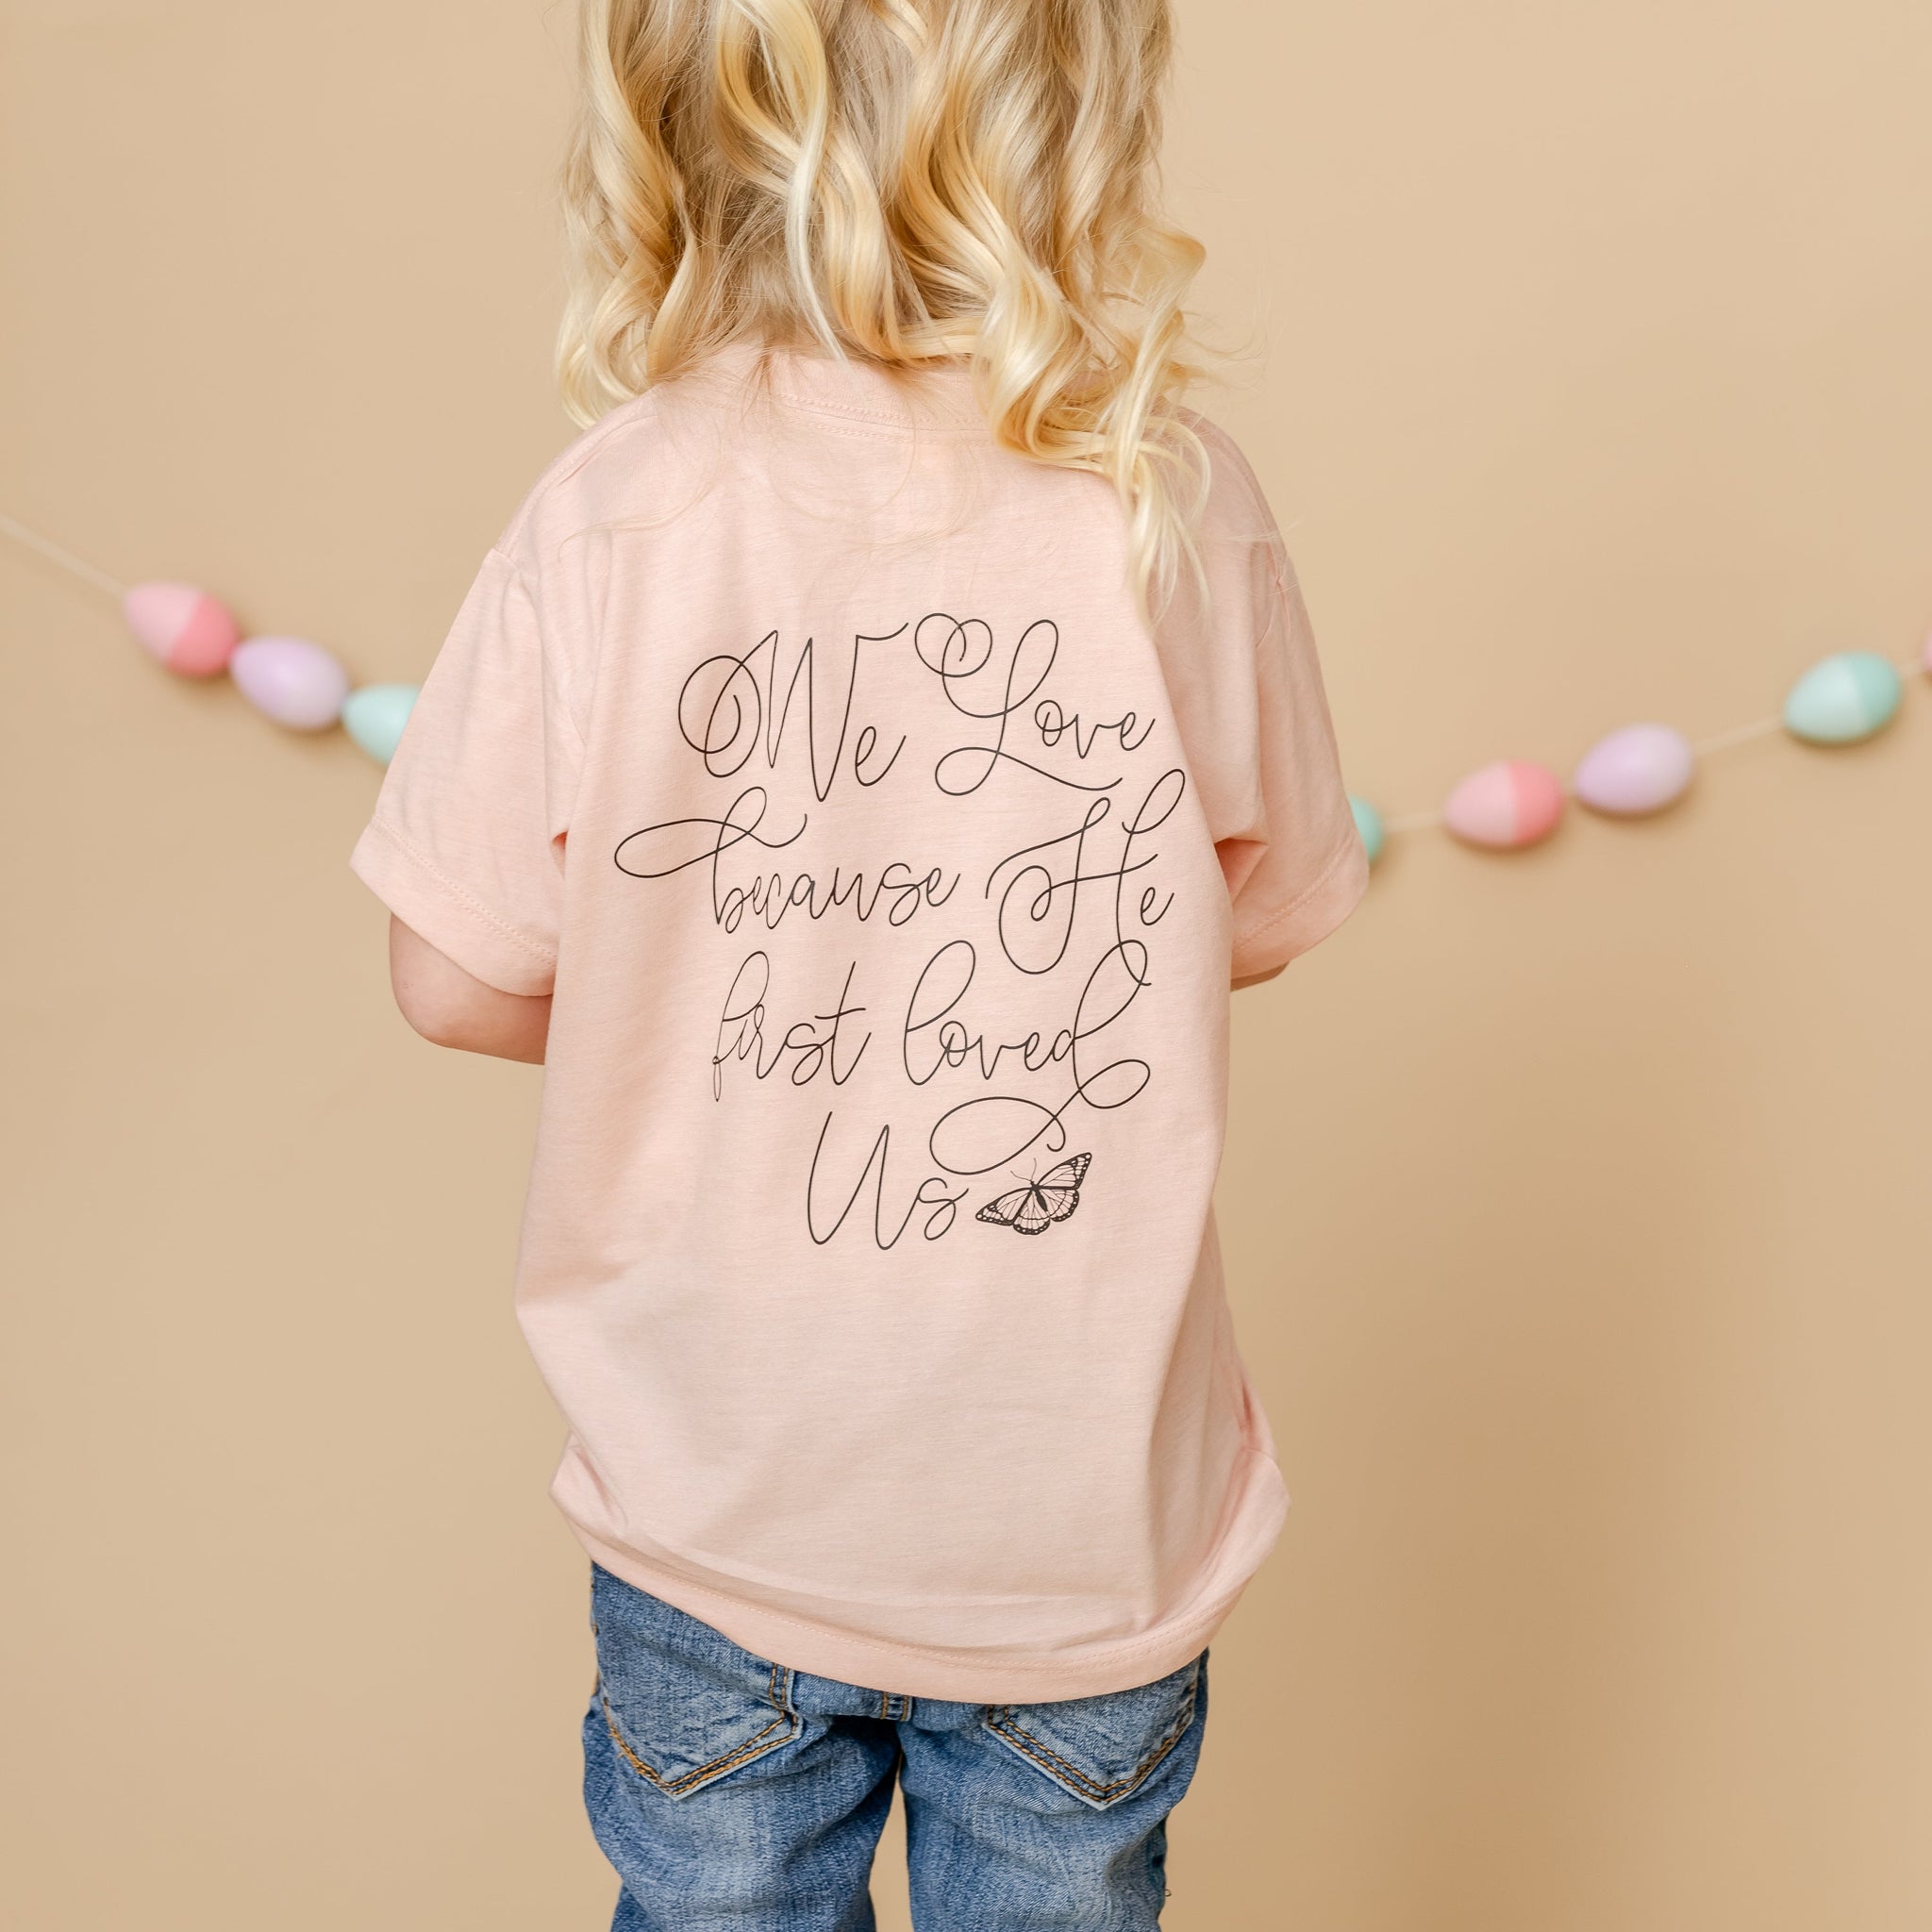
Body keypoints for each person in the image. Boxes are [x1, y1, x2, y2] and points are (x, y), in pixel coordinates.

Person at [352, 1, 1367, 1924]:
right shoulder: (1170, 493)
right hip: (1080, 1532)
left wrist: (692, 983)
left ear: (679, 127)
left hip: (719, 1504)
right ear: (1074, 123)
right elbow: (1264, 912)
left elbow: (451, 978)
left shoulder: (614, 512)